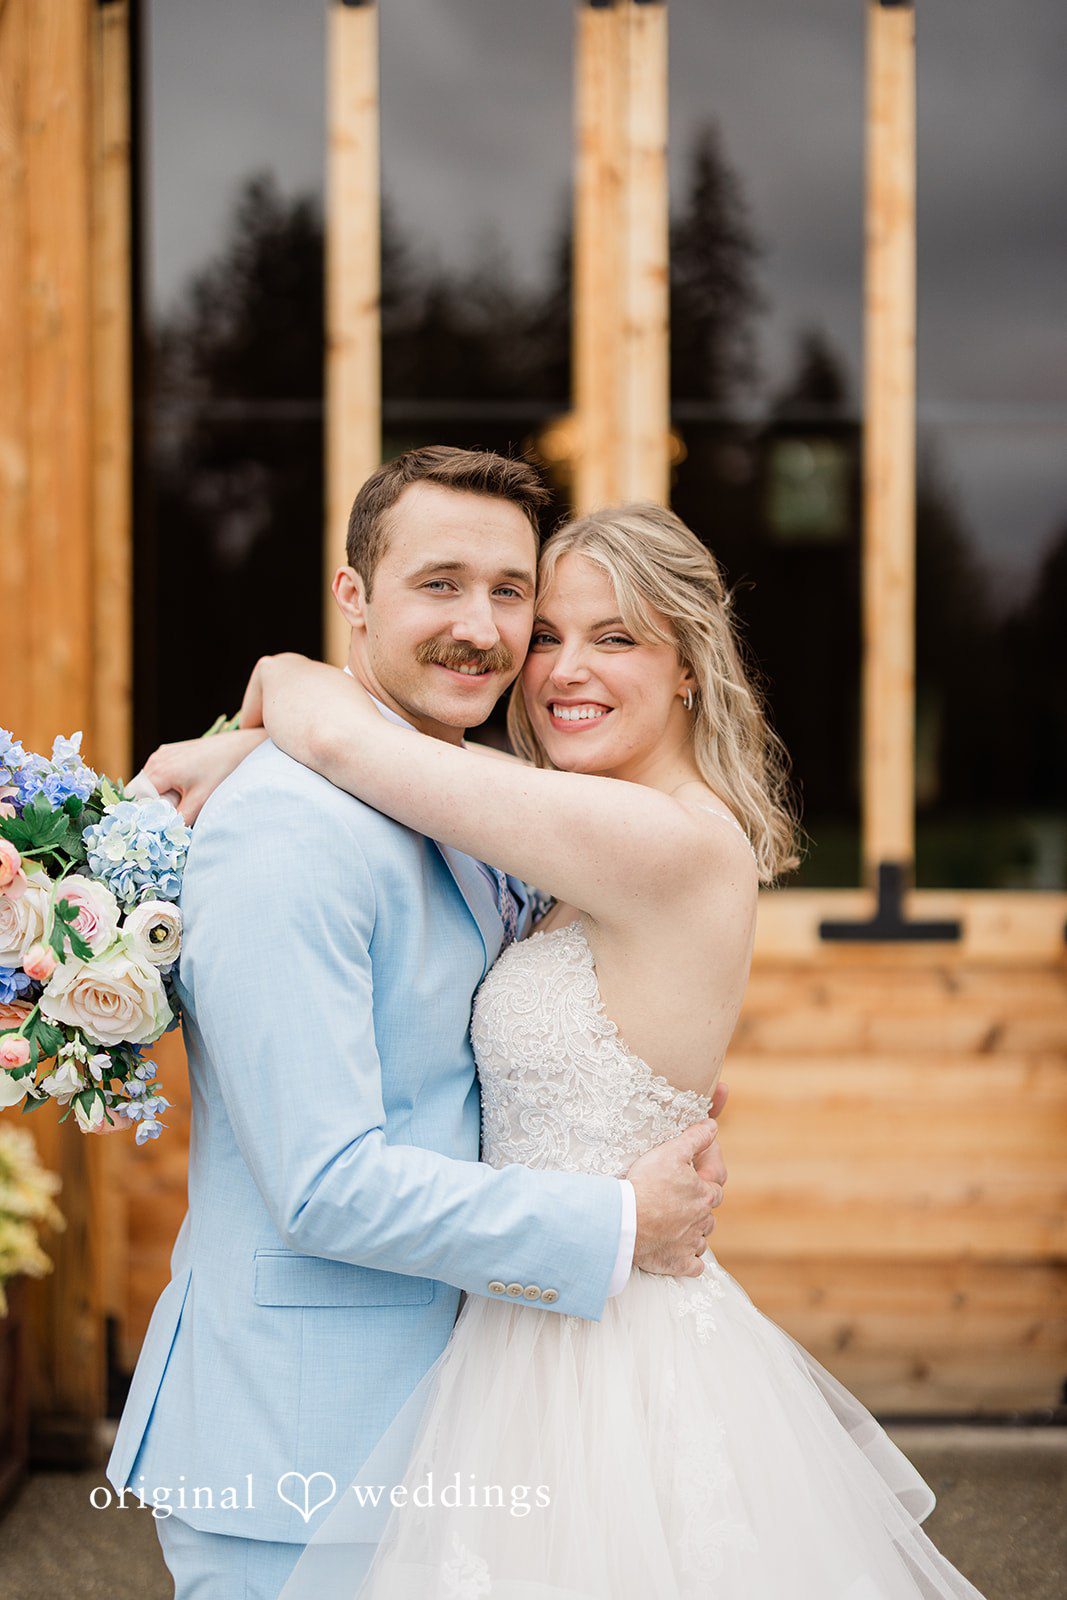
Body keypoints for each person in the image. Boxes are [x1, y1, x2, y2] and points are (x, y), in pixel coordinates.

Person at [160, 491, 988, 1597]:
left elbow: (343, 732)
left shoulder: (649, 836)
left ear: (690, 663)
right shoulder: (559, 827)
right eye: (545, 634)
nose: (559, 670)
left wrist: (268, 694)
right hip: (509, 1338)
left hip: (597, 1353)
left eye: (613, 638)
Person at [106, 448, 729, 1600]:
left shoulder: (453, 797)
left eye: (509, 595)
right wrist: (613, 1218)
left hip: (459, 1424)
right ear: (355, 598)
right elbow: (327, 1182)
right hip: (298, 1442)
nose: (483, 630)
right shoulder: (283, 835)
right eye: (438, 583)